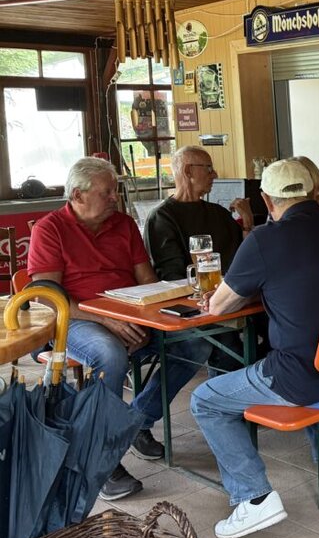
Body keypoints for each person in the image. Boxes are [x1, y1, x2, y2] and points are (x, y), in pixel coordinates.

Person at [190, 159, 319, 538]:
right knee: (303, 349)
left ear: (266, 199)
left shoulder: (263, 239)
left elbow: (219, 307)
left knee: (206, 400)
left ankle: (254, 498)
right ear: (312, 191)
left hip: (307, 378)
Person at [27, 157, 211, 499]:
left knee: (196, 344)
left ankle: (136, 421)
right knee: (110, 356)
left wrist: (147, 319)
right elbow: (48, 298)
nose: (115, 198)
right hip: (77, 319)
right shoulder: (50, 229)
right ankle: (100, 459)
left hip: (128, 315)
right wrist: (107, 320)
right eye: (107, 192)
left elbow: (147, 281)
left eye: (115, 191)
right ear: (78, 195)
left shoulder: (124, 225)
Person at [144, 146, 253, 281]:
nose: (215, 175)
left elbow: (248, 258)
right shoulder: (161, 218)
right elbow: (171, 276)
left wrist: (247, 221)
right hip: (192, 290)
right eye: (209, 168)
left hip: (234, 287)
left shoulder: (219, 212)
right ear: (188, 171)